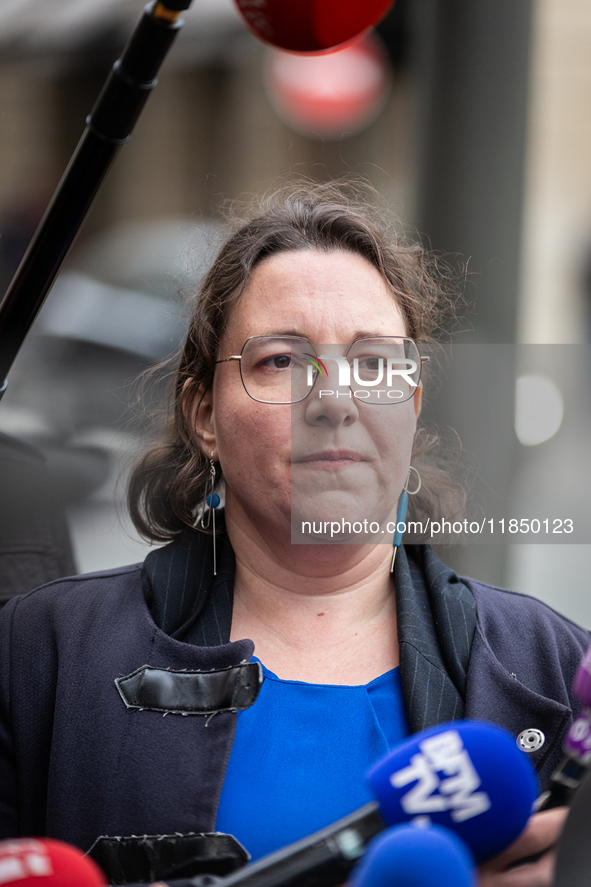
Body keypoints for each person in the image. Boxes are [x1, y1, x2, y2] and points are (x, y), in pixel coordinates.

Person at [0, 181, 588, 887]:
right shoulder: (40, 652)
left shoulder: (551, 666)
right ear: (203, 414)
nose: (334, 399)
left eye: (373, 364)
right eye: (281, 360)